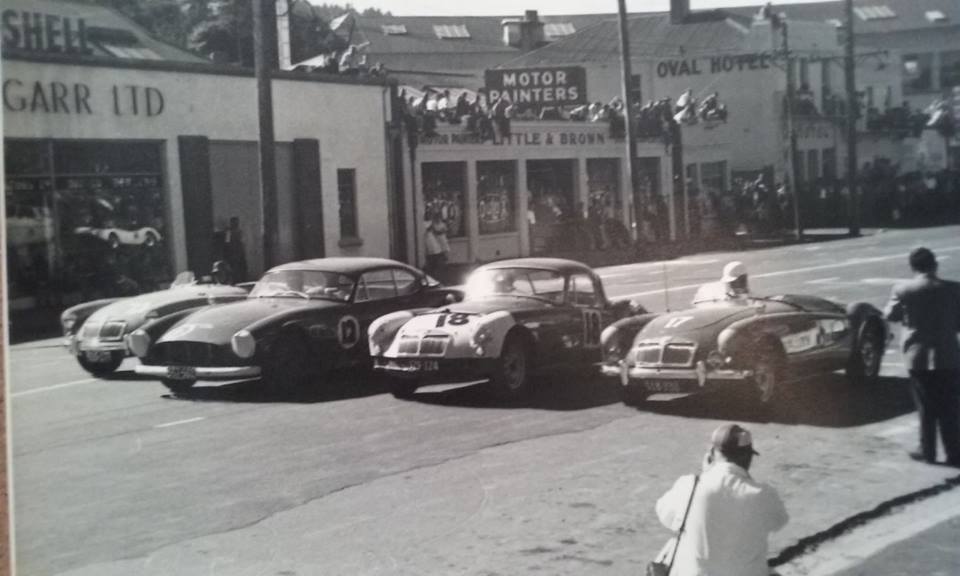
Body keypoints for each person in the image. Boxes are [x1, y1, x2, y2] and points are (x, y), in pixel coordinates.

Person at [656, 423, 788, 576]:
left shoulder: (690, 485)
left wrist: (706, 474)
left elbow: (664, 515)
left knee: (676, 547)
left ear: (711, 454)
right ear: (749, 458)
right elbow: (779, 522)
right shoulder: (763, 494)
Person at [883, 247, 960, 466]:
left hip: (917, 356)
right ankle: (954, 451)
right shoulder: (954, 289)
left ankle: (928, 450)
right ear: (935, 265)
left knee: (925, 406)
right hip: (949, 355)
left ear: (913, 267)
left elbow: (890, 314)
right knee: (951, 407)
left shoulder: (903, 290)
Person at [423, 212, 450, 279]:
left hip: (439, 249)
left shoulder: (440, 225)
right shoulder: (428, 224)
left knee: (440, 267)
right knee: (433, 268)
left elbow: (443, 236)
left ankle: (440, 279)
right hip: (432, 251)